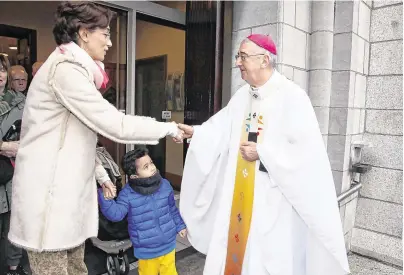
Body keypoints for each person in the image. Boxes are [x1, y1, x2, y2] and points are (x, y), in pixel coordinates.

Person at [8, 2, 183, 275]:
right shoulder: (65, 70)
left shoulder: (75, 70)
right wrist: (168, 128)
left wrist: (100, 175)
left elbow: (74, 140)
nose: (111, 42)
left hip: (64, 197)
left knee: (77, 267)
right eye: (106, 34)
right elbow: (115, 124)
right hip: (49, 200)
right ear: (84, 33)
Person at [177, 34, 350, 275]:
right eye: (238, 56)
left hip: (272, 200)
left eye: (243, 56)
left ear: (264, 60)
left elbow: (306, 154)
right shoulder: (242, 96)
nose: (237, 62)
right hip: (238, 195)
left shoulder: (293, 97)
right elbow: (220, 129)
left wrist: (262, 152)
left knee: (266, 259)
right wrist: (195, 132)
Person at [98, 147, 187, 275]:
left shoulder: (165, 185)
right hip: (146, 249)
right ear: (134, 175)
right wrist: (105, 197)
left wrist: (180, 225)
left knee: (170, 272)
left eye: (151, 162)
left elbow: (172, 209)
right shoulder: (127, 194)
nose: (152, 167)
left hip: (168, 243)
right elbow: (116, 215)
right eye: (146, 166)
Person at [0, 56, 28, 275]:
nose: (0, 76)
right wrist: (3, 145)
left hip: (12, 174)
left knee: (12, 226)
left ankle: (12, 267)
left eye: (1, 71)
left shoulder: (20, 102)